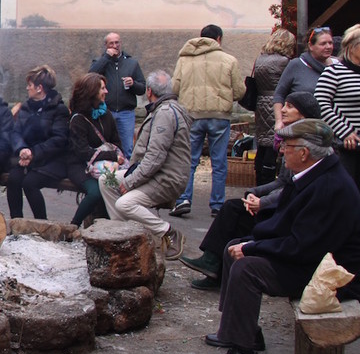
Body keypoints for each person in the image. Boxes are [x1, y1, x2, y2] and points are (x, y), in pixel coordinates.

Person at [198, 119, 360, 354]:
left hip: (331, 276)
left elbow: (303, 247)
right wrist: (251, 243)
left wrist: (254, 247)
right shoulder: (311, 175)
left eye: (287, 146)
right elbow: (285, 227)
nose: (281, 150)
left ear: (304, 152)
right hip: (311, 259)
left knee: (247, 268)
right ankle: (243, 332)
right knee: (234, 247)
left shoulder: (329, 186)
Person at [181, 91, 321, 290]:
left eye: (290, 106)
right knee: (234, 208)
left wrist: (263, 202)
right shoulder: (292, 138)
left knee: (235, 212)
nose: (283, 109)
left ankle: (214, 268)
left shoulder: (306, 145)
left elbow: (294, 190)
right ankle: (213, 267)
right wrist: (254, 191)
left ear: (304, 113)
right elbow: (282, 182)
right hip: (279, 204)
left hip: (287, 214)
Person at [97, 70, 191, 260]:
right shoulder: (162, 109)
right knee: (106, 180)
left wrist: (130, 181)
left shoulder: (165, 113)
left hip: (166, 178)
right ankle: (124, 234)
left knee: (124, 204)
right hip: (155, 173)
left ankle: (168, 232)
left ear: (149, 91)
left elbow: (155, 158)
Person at [170, 24, 245, 217]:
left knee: (189, 160)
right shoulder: (229, 60)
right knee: (219, 162)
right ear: (218, 39)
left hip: (192, 115)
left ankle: (183, 199)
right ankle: (217, 205)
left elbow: (175, 88)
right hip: (219, 116)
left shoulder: (184, 59)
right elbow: (239, 91)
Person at [5, 65, 69, 220]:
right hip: (27, 157)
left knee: (29, 183)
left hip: (52, 159)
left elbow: (59, 140)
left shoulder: (58, 109)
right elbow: (15, 132)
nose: (27, 88)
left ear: (39, 88)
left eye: (30, 85)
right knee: (13, 179)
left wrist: (33, 153)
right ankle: (16, 223)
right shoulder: (26, 107)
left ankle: (42, 224)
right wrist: (22, 149)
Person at [315, 24, 360, 199]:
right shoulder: (334, 72)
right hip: (344, 144)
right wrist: (345, 132)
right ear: (352, 48)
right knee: (344, 191)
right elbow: (321, 103)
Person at [65, 73, 124, 227]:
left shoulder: (106, 114)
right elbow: (82, 152)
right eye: (102, 88)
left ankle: (108, 228)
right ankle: (72, 227)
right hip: (79, 165)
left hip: (105, 166)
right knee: (96, 192)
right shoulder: (78, 119)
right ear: (92, 91)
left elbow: (116, 143)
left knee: (116, 187)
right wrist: (112, 156)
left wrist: (114, 157)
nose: (106, 91)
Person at [88, 32, 146, 159]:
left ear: (121, 43)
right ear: (106, 45)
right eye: (111, 43)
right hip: (105, 112)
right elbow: (90, 77)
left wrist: (133, 84)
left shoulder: (132, 63)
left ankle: (127, 171)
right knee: (105, 146)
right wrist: (106, 58)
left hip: (126, 113)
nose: (115, 46)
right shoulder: (100, 62)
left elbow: (142, 88)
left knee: (127, 148)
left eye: (117, 42)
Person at [250, 29, 296, 185]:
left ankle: (259, 178)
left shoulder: (260, 59)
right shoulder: (284, 62)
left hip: (261, 103)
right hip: (277, 104)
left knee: (262, 143)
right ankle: (268, 180)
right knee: (273, 144)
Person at [272, 26, 335, 130]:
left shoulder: (337, 67)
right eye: (323, 43)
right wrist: (279, 121)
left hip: (329, 127)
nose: (328, 46)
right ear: (311, 46)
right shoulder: (296, 65)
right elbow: (279, 95)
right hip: (300, 128)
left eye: (330, 43)